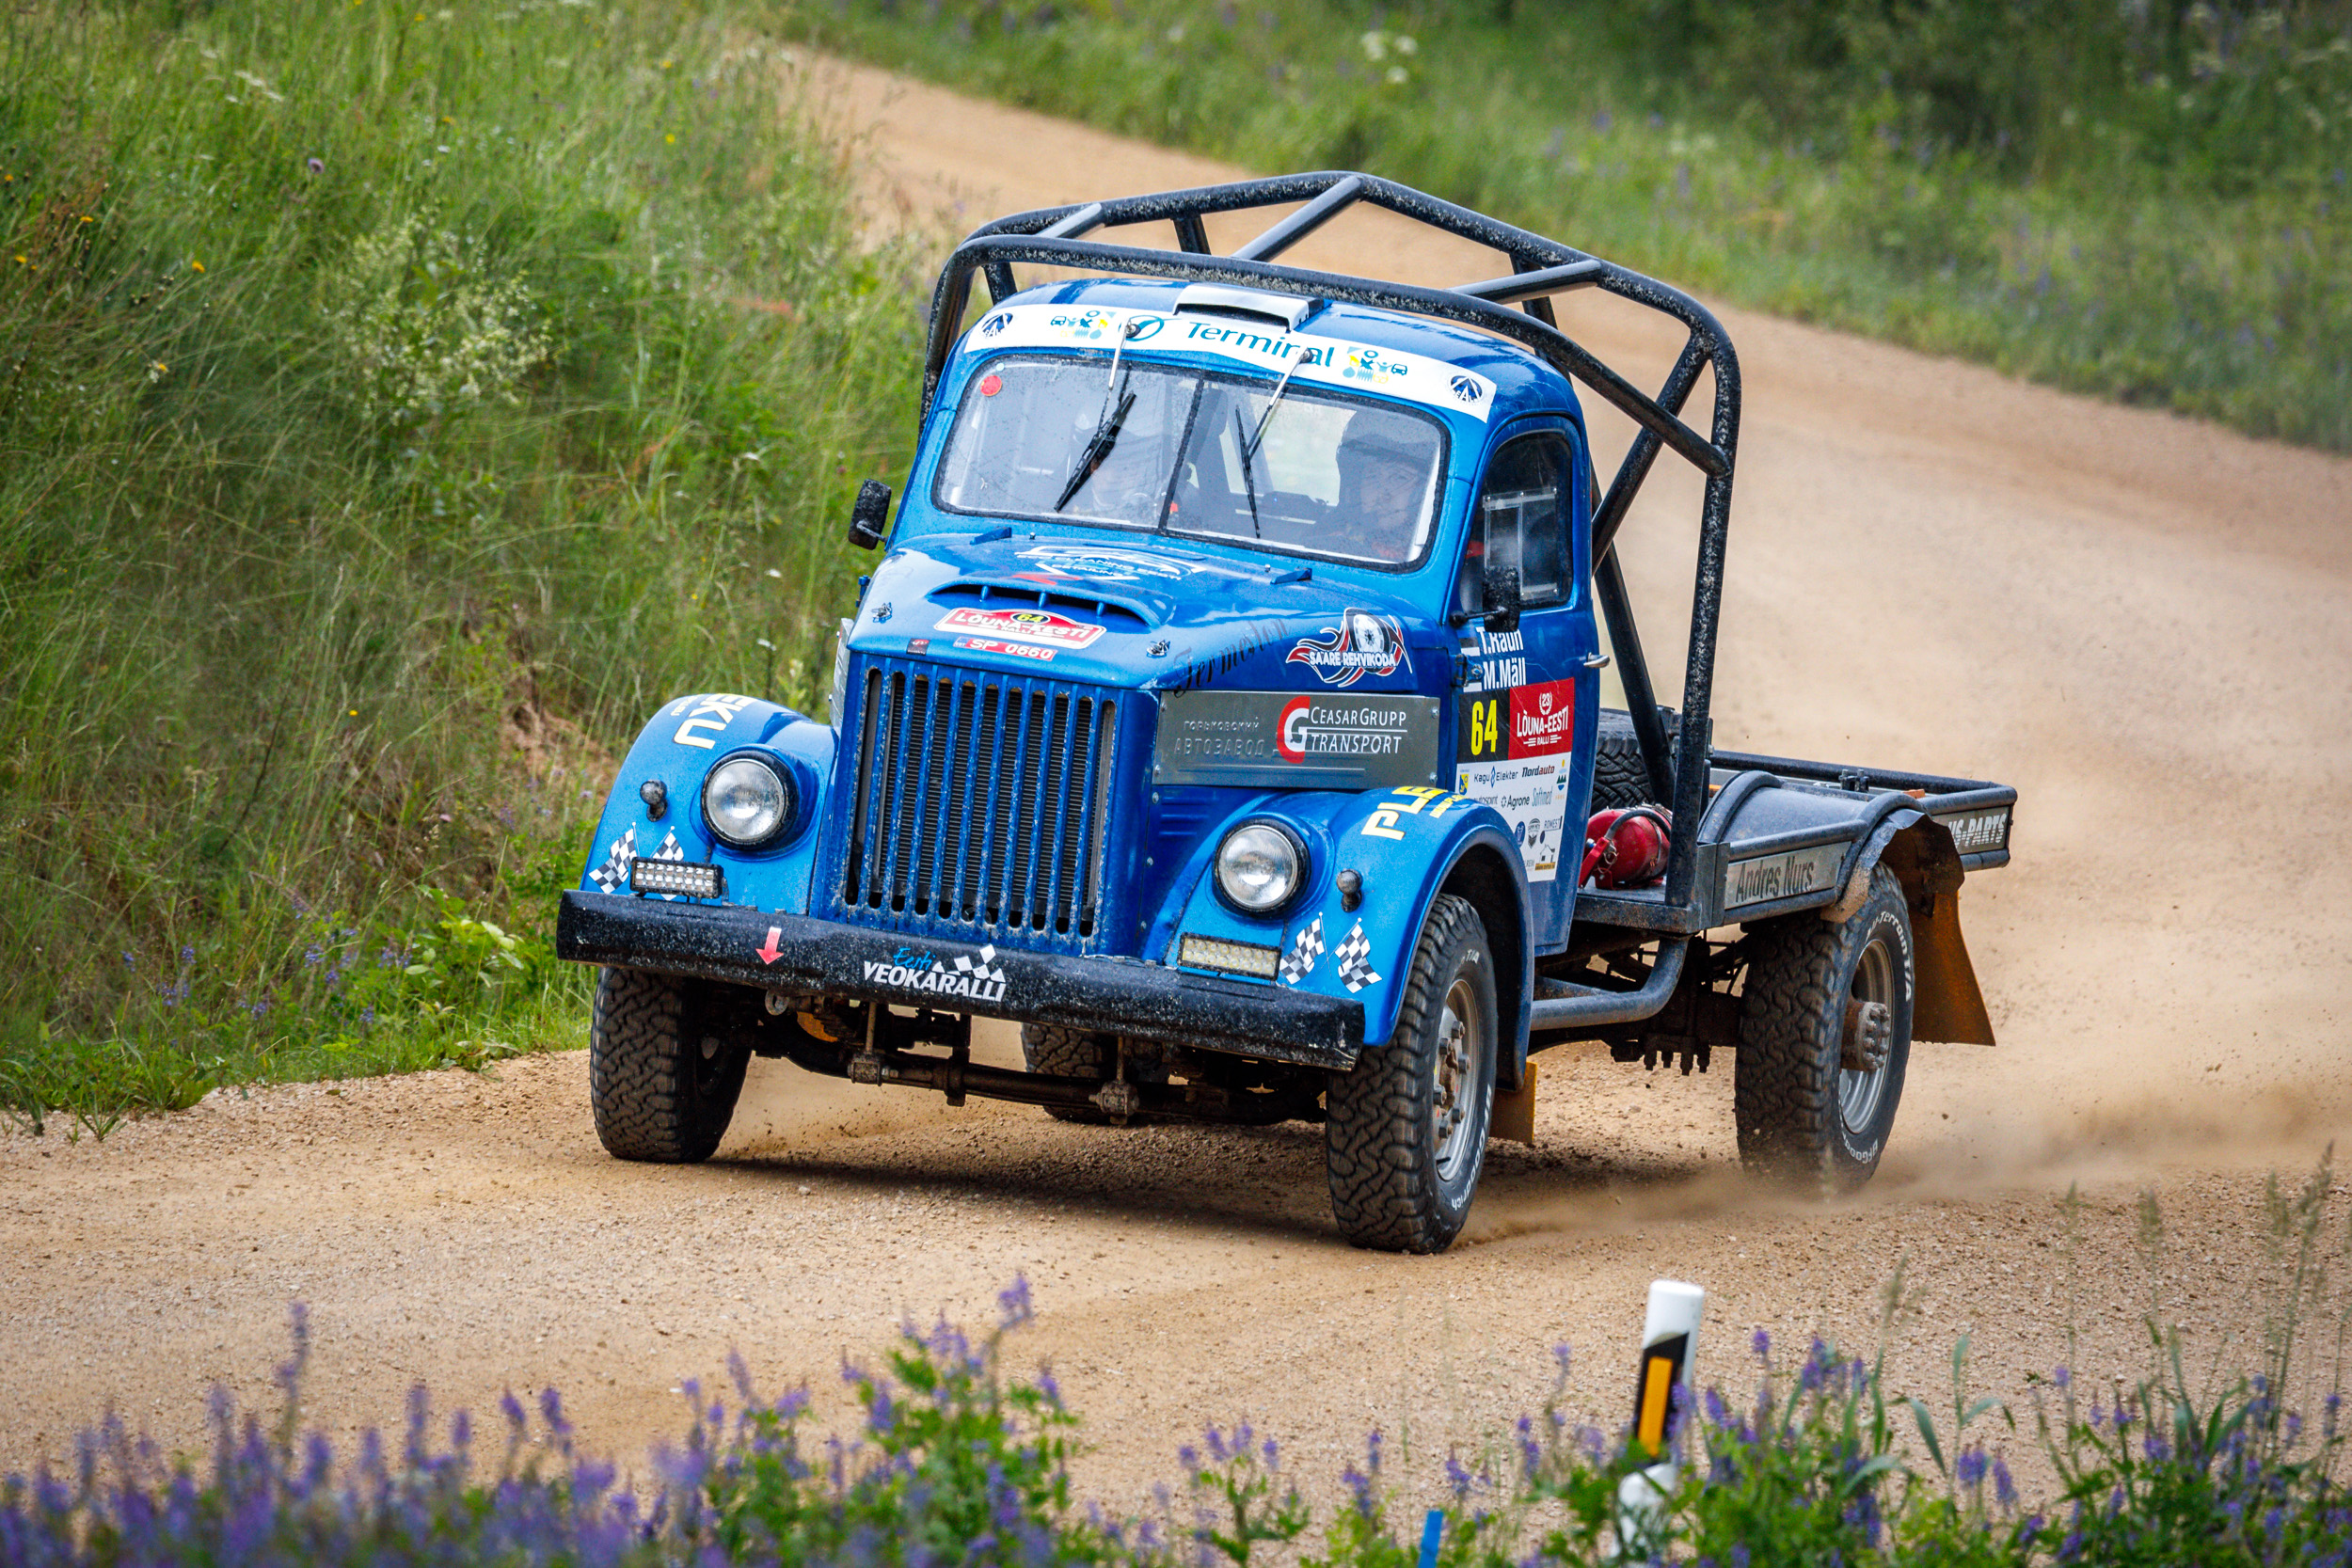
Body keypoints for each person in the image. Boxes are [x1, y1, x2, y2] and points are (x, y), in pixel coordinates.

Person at [1332, 415, 1433, 562]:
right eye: (1373, 476)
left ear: (1422, 492)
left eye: (1399, 478)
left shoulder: (1434, 556)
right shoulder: (1329, 546)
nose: (1383, 495)